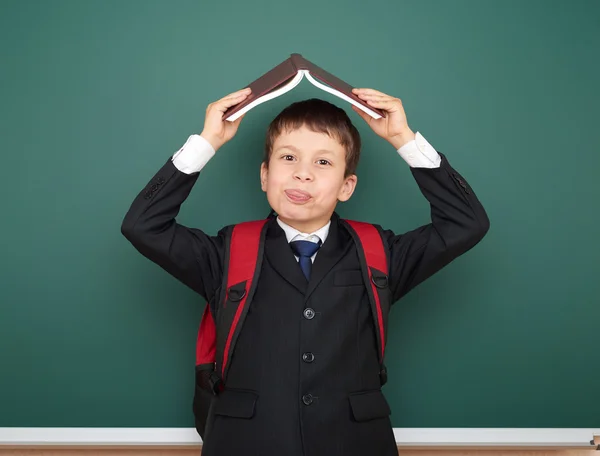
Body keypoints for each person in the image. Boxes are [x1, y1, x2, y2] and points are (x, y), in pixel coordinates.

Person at [121, 87, 490, 456]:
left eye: (323, 163)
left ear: (347, 186)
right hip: (245, 443)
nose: (302, 175)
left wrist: (403, 139)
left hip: (355, 443)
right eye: (288, 157)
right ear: (264, 176)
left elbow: (466, 223)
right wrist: (207, 142)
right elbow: (143, 226)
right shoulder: (226, 253)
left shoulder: (380, 252)